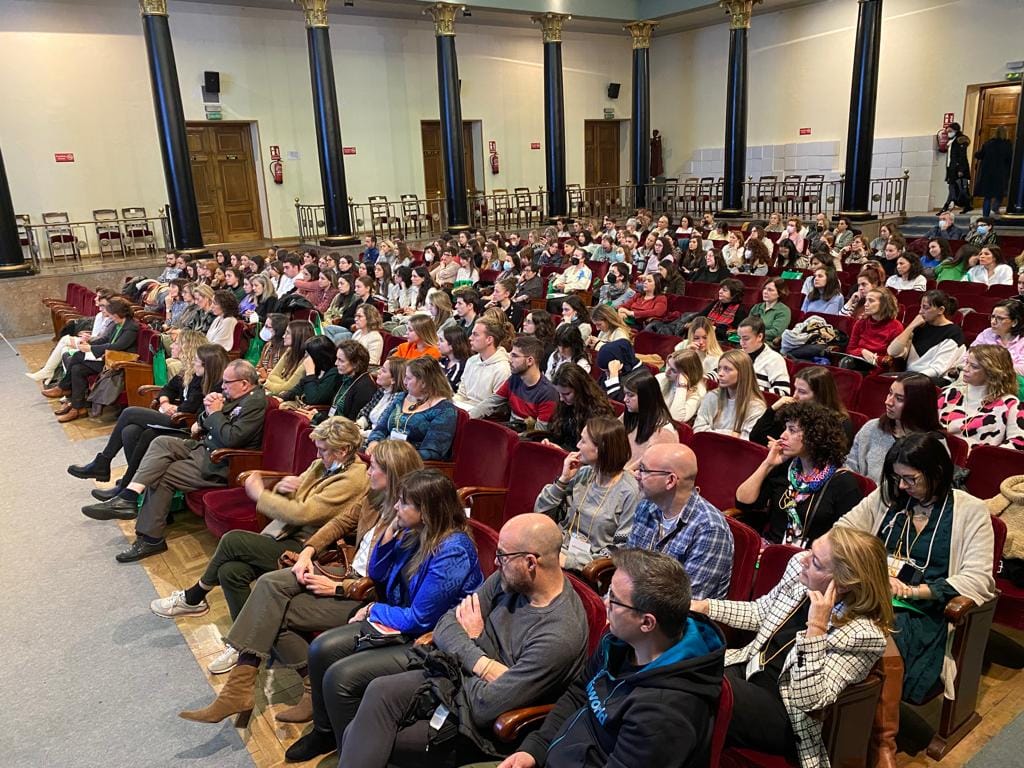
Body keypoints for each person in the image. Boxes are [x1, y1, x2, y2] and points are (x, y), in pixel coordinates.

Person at [186, 468, 482, 763]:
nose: (395, 507)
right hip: (393, 616)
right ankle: (324, 731)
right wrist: (387, 536)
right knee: (319, 647)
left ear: (427, 510)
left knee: (338, 674)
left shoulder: (452, 549)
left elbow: (420, 617)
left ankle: (349, 748)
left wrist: (372, 608)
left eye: (403, 503)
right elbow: (378, 574)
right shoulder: (414, 531)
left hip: (426, 638)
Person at [337, 514, 589, 768]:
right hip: (452, 679)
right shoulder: (511, 581)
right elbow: (447, 623)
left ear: (530, 563)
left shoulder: (559, 634)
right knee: (378, 692)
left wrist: (474, 638)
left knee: (358, 736)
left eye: (502, 555)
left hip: (483, 726)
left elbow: (485, 707)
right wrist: (486, 665)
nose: (495, 562)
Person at [499, 549, 725, 768]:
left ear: (647, 623)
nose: (605, 603)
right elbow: (578, 693)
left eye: (615, 600)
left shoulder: (663, 714)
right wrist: (534, 748)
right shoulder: (617, 643)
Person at [691, 527, 892, 768]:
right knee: (685, 675)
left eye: (816, 562)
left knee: (701, 685)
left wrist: (816, 626)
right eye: (811, 550)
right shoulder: (801, 572)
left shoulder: (862, 635)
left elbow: (808, 700)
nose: (803, 559)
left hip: (785, 714)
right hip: (748, 673)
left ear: (844, 583)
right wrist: (705, 606)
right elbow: (760, 612)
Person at [148, 416, 368, 633]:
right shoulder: (324, 464)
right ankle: (244, 641)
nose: (317, 454)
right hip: (288, 534)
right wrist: (284, 487)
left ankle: (194, 597)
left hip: (312, 549)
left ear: (343, 450)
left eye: (323, 450)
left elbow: (303, 513)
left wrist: (260, 495)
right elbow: (300, 497)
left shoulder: (352, 479)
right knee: (230, 571)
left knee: (233, 540)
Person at [836, 432, 996, 703]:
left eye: (910, 479)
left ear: (937, 472)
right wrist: (873, 575)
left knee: (871, 633)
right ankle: (840, 714)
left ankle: (865, 722)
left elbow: (978, 578)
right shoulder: (888, 497)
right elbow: (842, 532)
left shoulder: (971, 511)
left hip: (924, 612)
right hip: (874, 594)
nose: (901, 486)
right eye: (897, 478)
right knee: (828, 611)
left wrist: (913, 592)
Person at [81, 360, 267, 562]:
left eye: (227, 382)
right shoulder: (236, 395)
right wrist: (208, 409)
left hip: (223, 463)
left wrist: (214, 413)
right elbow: (204, 423)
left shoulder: (255, 402)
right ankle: (129, 496)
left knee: (162, 473)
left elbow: (232, 437)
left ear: (245, 383)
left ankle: (151, 538)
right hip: (204, 448)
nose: (222, 386)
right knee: (161, 442)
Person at [69, 343, 228, 501]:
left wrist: (175, 408)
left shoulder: (215, 387)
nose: (193, 362)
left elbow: (193, 409)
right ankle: (129, 484)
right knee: (130, 430)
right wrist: (165, 402)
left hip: (186, 424)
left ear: (207, 365)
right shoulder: (193, 374)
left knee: (130, 412)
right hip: (177, 416)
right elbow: (168, 388)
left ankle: (105, 465)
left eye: (197, 360)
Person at [735, 402, 859, 546]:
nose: (782, 436)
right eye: (785, 429)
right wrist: (767, 464)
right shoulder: (786, 469)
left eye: (792, 430)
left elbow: (846, 542)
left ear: (815, 435)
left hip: (809, 561)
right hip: (771, 551)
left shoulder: (843, 483)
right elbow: (743, 502)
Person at [534, 416, 641, 570]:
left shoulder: (629, 492)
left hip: (589, 568)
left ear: (601, 447)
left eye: (583, 441)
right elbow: (541, 513)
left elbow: (621, 550)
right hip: (557, 549)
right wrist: (563, 480)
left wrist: (573, 561)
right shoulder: (582, 474)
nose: (577, 445)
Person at [629, 443, 733, 599]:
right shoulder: (646, 507)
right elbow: (627, 570)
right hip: (637, 604)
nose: (636, 474)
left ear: (670, 481)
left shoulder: (710, 529)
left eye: (643, 470)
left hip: (676, 618)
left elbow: (684, 602)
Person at [44, 297, 140, 423]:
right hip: (108, 358)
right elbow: (106, 339)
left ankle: (64, 387)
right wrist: (88, 341)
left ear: (117, 314)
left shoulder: (131, 327)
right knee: (77, 369)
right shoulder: (117, 324)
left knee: (78, 356)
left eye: (111, 314)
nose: (109, 317)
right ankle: (78, 408)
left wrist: (91, 348)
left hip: (119, 364)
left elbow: (117, 346)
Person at [846, 372, 941, 484]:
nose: (888, 402)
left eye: (899, 399)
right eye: (890, 393)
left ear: (917, 405)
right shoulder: (872, 427)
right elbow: (849, 467)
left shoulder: (933, 445)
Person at [366, 357, 458, 461]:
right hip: (386, 456)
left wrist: (394, 455)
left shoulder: (444, 409)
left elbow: (433, 452)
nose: (404, 382)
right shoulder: (401, 397)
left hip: (412, 465)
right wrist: (374, 442)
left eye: (408, 378)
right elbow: (380, 428)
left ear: (424, 382)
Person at [939, 345, 1024, 450]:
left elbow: (1018, 442)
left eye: (974, 366)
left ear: (992, 372)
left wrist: (982, 457)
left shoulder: (1009, 403)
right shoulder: (951, 392)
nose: (965, 369)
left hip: (974, 462)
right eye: (967, 363)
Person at [751, 366, 853, 446]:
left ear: (819, 395)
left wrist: (784, 450)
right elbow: (755, 437)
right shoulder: (792, 412)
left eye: (802, 392)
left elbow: (826, 461)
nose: (795, 395)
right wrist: (772, 409)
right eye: (795, 389)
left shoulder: (840, 424)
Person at [476, 334, 559, 432]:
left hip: (524, 440)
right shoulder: (515, 379)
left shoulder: (548, 393)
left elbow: (538, 434)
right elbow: (491, 403)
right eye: (510, 354)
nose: (509, 359)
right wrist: (468, 417)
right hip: (510, 431)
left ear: (529, 361)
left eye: (514, 356)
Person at [887, 290, 965, 379]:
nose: (920, 311)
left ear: (940, 310)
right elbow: (892, 352)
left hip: (930, 379)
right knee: (880, 379)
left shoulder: (953, 333)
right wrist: (910, 327)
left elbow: (937, 370)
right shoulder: (919, 326)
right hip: (910, 375)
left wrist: (909, 379)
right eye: (920, 307)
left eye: (925, 307)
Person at [693, 350, 767, 439]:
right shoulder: (712, 396)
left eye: (727, 369)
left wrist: (712, 432)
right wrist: (730, 434)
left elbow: (747, 440)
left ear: (742, 373)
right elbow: (697, 430)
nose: (720, 374)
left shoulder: (756, 407)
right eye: (719, 368)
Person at [545, 363, 616, 452]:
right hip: (562, 453)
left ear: (580, 389)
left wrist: (563, 451)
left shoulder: (599, 413)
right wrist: (549, 443)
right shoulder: (565, 404)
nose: (561, 399)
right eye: (559, 393)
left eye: (567, 394)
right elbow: (556, 433)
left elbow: (594, 451)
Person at [620, 368, 680, 467]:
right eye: (625, 394)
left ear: (646, 397)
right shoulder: (631, 415)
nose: (625, 399)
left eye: (630, 395)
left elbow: (648, 467)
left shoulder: (664, 433)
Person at [453, 317, 512, 417]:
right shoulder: (471, 361)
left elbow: (495, 406)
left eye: (475, 335)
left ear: (489, 340)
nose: (470, 338)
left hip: (482, 417)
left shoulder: (503, 369)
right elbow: (462, 394)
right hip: (463, 410)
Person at [840, 288, 904, 372]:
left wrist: (875, 358)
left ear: (884, 304)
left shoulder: (896, 327)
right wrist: (863, 351)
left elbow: (892, 360)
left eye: (871, 301)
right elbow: (850, 349)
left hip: (880, 367)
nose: (866, 304)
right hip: (858, 362)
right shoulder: (861, 322)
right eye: (866, 300)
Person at [961, 299, 1024, 376]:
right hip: (978, 379)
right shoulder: (987, 333)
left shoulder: (1022, 341)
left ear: (1014, 322)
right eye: (992, 316)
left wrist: (987, 366)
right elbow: (967, 357)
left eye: (1000, 318)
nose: (993, 322)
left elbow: (1021, 370)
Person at [281, 335, 341, 407]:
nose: (305, 357)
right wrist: (280, 397)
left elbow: (313, 399)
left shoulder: (334, 373)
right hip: (304, 407)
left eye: (307, 354)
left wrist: (310, 374)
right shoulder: (317, 368)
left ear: (317, 356)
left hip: (318, 412)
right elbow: (298, 389)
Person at [738, 316, 791, 396]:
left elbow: (783, 392)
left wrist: (747, 388)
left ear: (760, 337)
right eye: (740, 338)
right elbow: (717, 375)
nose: (741, 343)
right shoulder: (737, 355)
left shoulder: (775, 359)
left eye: (746, 339)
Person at [264, 320, 314, 396]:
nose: (283, 336)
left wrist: (268, 384)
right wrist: (284, 383)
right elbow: (272, 375)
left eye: (287, 333)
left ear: (298, 336)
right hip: (279, 393)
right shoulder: (290, 350)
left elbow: (289, 388)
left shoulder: (308, 359)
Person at [656, 348, 707, 423]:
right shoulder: (661, 377)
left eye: (673, 370)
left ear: (687, 374)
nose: (667, 371)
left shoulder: (699, 392)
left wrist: (682, 387)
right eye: (668, 365)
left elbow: (676, 419)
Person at [975, 126, 1014, 217]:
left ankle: (985, 216)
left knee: (987, 197)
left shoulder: (988, 143)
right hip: (1001, 173)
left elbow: (979, 155)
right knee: (1000, 193)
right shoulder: (1007, 145)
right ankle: (995, 207)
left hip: (988, 174)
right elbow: (1010, 158)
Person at [678, 316, 724, 380]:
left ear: (711, 337)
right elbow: (674, 371)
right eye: (696, 338)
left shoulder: (718, 358)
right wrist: (687, 354)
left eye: (705, 338)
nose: (701, 342)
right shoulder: (682, 346)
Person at [940, 122, 972, 214]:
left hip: (958, 168)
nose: (948, 133)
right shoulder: (951, 140)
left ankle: (946, 206)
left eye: (950, 131)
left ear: (955, 130)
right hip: (951, 167)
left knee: (957, 188)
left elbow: (962, 156)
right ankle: (967, 205)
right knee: (953, 187)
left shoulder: (961, 140)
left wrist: (961, 169)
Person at [749, 278, 791, 345]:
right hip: (750, 339)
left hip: (767, 344)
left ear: (779, 293)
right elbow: (748, 324)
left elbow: (775, 333)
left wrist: (753, 334)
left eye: (770, 290)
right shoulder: (757, 307)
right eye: (765, 288)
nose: (765, 291)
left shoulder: (784, 311)